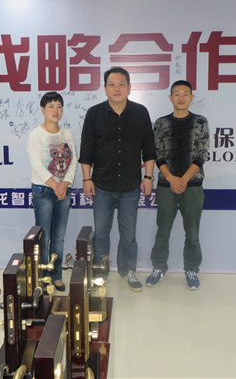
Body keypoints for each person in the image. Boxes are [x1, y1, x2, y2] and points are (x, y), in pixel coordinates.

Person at [79, 67, 156, 292]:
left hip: (131, 185)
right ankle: (100, 272)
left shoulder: (140, 113)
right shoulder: (94, 114)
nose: (117, 89)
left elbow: (149, 149)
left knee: (128, 234)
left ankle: (127, 270)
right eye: (112, 84)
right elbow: (87, 150)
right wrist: (86, 179)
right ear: (105, 88)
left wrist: (148, 176)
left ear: (130, 87)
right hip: (101, 184)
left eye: (122, 84)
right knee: (101, 233)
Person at [145, 80, 209, 290]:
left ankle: (191, 269)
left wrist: (184, 179)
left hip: (193, 186)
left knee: (192, 233)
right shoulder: (161, 123)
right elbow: (157, 154)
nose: (181, 97)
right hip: (166, 185)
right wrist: (172, 178)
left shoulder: (200, 122)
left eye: (185, 93)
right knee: (163, 230)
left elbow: (202, 154)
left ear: (192, 97)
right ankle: (159, 268)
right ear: (170, 97)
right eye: (177, 93)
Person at [27, 91, 78, 292]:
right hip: (44, 190)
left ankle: (56, 275)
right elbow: (36, 163)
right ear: (43, 110)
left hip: (64, 190)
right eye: (51, 106)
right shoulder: (36, 134)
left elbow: (73, 160)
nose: (55, 110)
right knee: (44, 236)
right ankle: (43, 276)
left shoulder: (67, 134)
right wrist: (55, 185)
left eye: (59, 106)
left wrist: (65, 183)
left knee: (59, 236)